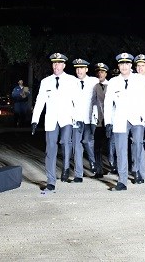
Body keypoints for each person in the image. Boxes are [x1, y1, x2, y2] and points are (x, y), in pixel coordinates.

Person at [102, 53, 145, 190]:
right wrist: (108, 122)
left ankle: (138, 172)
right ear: (118, 66)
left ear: (130, 65)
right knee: (121, 149)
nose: (124, 67)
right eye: (121, 64)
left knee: (138, 146)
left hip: (137, 118)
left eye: (127, 64)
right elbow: (108, 103)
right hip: (120, 118)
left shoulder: (139, 80)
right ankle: (122, 181)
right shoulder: (113, 82)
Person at [31, 52, 80, 193]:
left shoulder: (72, 80)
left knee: (65, 142)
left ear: (64, 65)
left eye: (59, 63)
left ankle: (65, 167)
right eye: (54, 63)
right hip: (51, 120)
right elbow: (40, 101)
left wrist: (78, 119)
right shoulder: (46, 81)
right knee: (50, 149)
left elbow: (76, 101)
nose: (56, 66)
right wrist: (35, 120)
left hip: (67, 119)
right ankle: (51, 181)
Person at [72, 58, 99, 181]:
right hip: (76, 119)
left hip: (89, 119)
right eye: (77, 68)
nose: (79, 71)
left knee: (87, 141)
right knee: (77, 146)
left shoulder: (94, 81)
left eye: (81, 68)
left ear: (86, 69)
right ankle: (78, 174)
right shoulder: (71, 82)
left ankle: (93, 162)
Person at [92, 62, 110, 178]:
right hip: (99, 120)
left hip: (110, 120)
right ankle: (99, 170)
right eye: (98, 72)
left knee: (111, 146)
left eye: (102, 72)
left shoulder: (112, 85)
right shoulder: (95, 86)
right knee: (97, 146)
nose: (100, 74)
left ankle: (115, 167)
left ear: (106, 73)